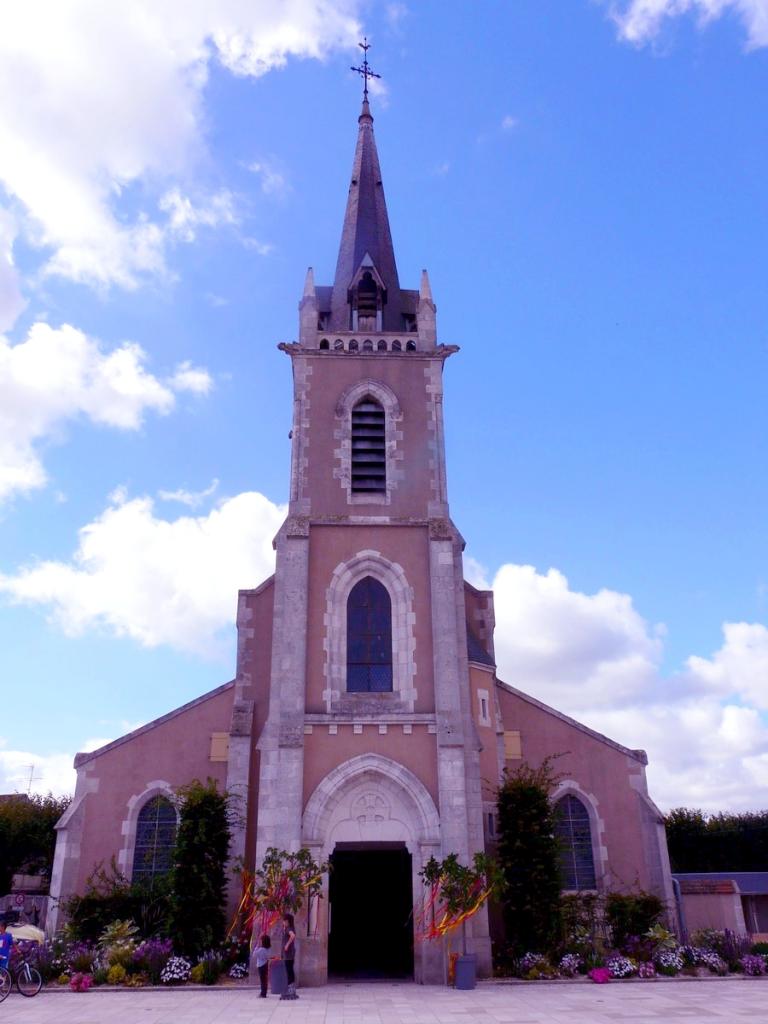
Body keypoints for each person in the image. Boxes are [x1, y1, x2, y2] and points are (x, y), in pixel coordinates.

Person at [280, 913, 298, 999]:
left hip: (289, 954)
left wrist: (287, 945)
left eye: (284, 920)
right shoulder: (286, 929)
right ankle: (291, 988)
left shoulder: (289, 929)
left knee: (289, 970)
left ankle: (291, 989)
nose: (283, 922)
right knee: (289, 970)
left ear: (287, 921)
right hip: (288, 954)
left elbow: (293, 936)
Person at [251, 933, 271, 998]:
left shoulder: (261, 950)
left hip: (261, 965)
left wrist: (257, 946)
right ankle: (264, 992)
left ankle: (263, 993)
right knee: (264, 980)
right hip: (265, 964)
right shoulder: (268, 949)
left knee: (262, 980)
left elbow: (254, 954)